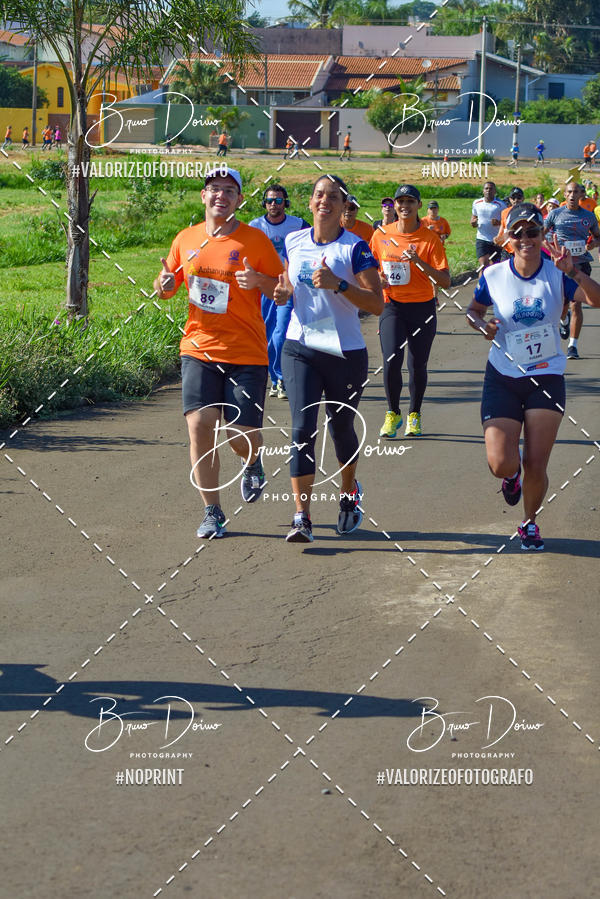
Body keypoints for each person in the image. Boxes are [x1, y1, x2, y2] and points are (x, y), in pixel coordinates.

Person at [153, 168, 284, 538]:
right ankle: (213, 511)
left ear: (239, 200)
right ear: (203, 196)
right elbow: (168, 283)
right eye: (214, 189)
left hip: (246, 353)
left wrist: (260, 281)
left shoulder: (255, 241)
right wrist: (163, 284)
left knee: (240, 433)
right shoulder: (186, 238)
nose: (220, 196)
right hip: (199, 347)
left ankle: (254, 461)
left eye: (229, 191)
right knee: (199, 425)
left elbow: (284, 290)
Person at [466, 202, 600, 551]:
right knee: (500, 462)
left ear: (544, 234)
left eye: (533, 231)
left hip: (547, 375)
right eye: (518, 233)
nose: (526, 238)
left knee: (536, 462)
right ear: (508, 239)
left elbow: (597, 300)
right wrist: (484, 326)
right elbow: (473, 310)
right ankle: (511, 478)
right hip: (504, 374)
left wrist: (573, 272)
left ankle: (529, 523)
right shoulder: (493, 276)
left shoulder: (558, 274)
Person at [272, 174, 383, 543]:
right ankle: (301, 516)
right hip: (300, 347)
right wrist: (283, 292)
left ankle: (349, 496)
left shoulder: (356, 249)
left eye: (333, 197)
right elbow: (287, 287)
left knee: (340, 429)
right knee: (302, 429)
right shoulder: (294, 240)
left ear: (343, 206)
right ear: (310, 202)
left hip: (345, 351)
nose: (325, 201)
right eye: (319, 194)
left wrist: (339, 284)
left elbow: (377, 303)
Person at [370, 184, 450, 439]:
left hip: (422, 307)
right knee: (391, 359)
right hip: (391, 305)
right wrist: (376, 280)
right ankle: (393, 413)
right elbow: (368, 267)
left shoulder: (429, 239)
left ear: (418, 206)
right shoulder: (381, 234)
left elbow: (445, 280)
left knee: (417, 364)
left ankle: (414, 414)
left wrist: (418, 262)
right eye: (400, 202)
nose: (404, 206)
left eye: (410, 202)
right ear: (394, 205)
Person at [249, 184, 310, 400]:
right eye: (269, 200)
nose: (273, 204)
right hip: (263, 286)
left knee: (281, 332)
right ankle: (274, 380)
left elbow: (311, 248)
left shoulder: (299, 225)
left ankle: (282, 378)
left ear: (286, 202)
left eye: (278, 200)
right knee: (266, 333)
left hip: (287, 286)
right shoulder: (255, 227)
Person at [545, 181, 600, 359]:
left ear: (581, 194)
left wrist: (593, 244)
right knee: (563, 305)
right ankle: (563, 319)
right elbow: (541, 234)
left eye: (576, 192)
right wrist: (550, 247)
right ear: (564, 194)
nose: (572, 195)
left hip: (581, 264)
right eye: (569, 192)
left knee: (577, 305)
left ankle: (572, 346)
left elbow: (597, 237)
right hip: (561, 265)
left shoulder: (589, 216)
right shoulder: (555, 214)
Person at [471, 181, 505, 268]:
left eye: (491, 189)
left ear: (495, 191)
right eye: (486, 188)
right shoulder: (477, 203)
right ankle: (481, 282)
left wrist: (498, 223)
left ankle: (493, 281)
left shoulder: (500, 205)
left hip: (496, 240)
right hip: (481, 238)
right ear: (483, 191)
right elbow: (473, 218)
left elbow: (506, 222)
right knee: (483, 265)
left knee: (495, 266)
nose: (488, 191)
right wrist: (473, 223)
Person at [494, 187, 524, 260]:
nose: (516, 200)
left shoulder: (527, 211)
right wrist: (498, 238)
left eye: (518, 197)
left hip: (521, 249)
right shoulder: (504, 212)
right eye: (513, 198)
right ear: (510, 199)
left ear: (523, 198)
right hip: (507, 250)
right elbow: (503, 228)